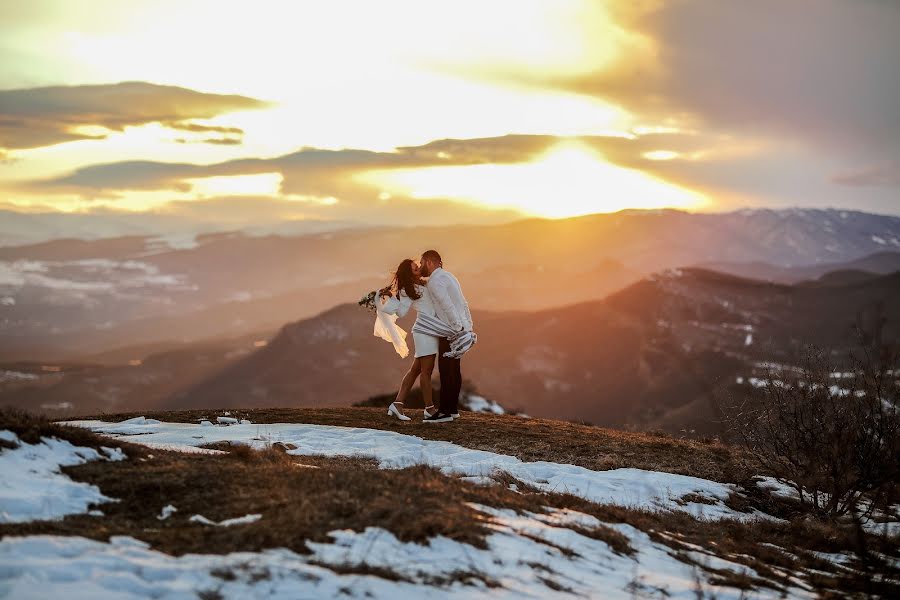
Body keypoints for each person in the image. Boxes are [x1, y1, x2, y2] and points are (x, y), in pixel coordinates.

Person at [376, 259, 440, 421]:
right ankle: (430, 409)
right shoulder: (407, 290)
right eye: (414, 268)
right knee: (426, 371)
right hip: (424, 330)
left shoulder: (422, 283)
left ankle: (397, 404)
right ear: (409, 273)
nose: (418, 267)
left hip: (430, 328)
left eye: (417, 265)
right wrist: (389, 298)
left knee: (415, 371)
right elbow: (401, 313)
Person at [418, 249, 473, 424]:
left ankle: (445, 412)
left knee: (445, 370)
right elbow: (464, 302)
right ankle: (453, 409)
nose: (420, 266)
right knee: (454, 370)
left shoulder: (435, 281)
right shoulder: (450, 276)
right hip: (462, 327)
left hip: (450, 330)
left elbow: (447, 305)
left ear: (429, 262)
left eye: (421, 263)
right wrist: (468, 326)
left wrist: (456, 328)